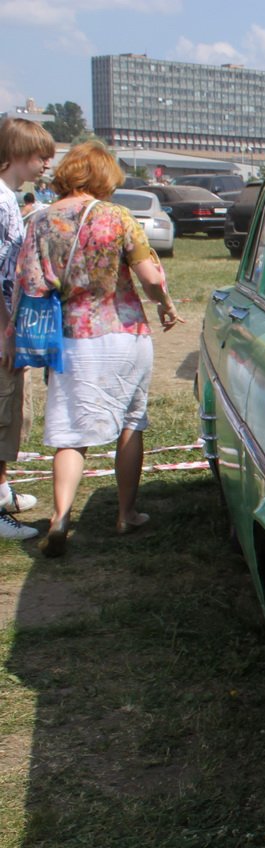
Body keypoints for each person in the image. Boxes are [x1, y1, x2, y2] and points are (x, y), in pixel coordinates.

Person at [14, 141, 183, 557]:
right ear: (104, 176)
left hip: (71, 338)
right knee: (131, 421)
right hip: (123, 332)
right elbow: (150, 276)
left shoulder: (39, 221)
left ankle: (60, 516)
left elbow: (31, 284)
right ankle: (126, 514)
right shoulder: (118, 217)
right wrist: (165, 303)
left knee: (70, 432)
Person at [0, 118, 56, 541]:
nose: (45, 165)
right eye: (40, 156)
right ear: (17, 153)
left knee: (8, 413)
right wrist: (6, 328)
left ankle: (2, 491)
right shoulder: (1, 203)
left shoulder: (11, 200)